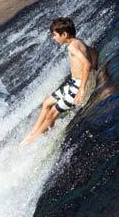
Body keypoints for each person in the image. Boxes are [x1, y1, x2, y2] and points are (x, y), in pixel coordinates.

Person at [21, 17, 97, 145]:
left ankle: (33, 140)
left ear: (64, 34)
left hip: (77, 87)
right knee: (46, 103)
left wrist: (82, 89)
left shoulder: (72, 47)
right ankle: (33, 132)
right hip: (73, 83)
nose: (54, 38)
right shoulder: (79, 42)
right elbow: (93, 53)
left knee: (52, 113)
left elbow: (87, 64)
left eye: (55, 35)